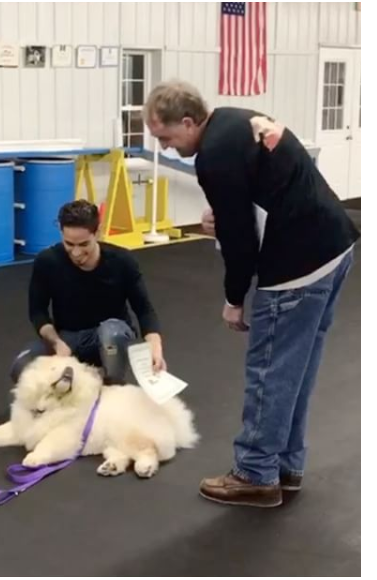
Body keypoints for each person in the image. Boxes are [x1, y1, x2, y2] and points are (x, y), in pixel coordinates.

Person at [144, 80, 360, 508]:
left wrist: (234, 299)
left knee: (271, 369)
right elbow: (250, 197)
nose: (167, 149)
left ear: (188, 122)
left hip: (298, 264)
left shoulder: (215, 155)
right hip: (334, 245)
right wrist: (223, 214)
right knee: (296, 369)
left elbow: (241, 240)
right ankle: (286, 466)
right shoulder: (232, 119)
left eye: (166, 138)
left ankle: (255, 472)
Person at [11, 200, 166, 385]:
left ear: (97, 233)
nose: (76, 253)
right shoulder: (47, 262)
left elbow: (144, 310)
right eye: (69, 244)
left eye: (84, 244)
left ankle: (111, 385)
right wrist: (56, 343)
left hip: (111, 337)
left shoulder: (122, 261)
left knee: (111, 333)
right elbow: (38, 312)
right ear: (61, 233)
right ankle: (79, 386)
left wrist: (155, 348)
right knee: (21, 369)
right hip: (68, 339)